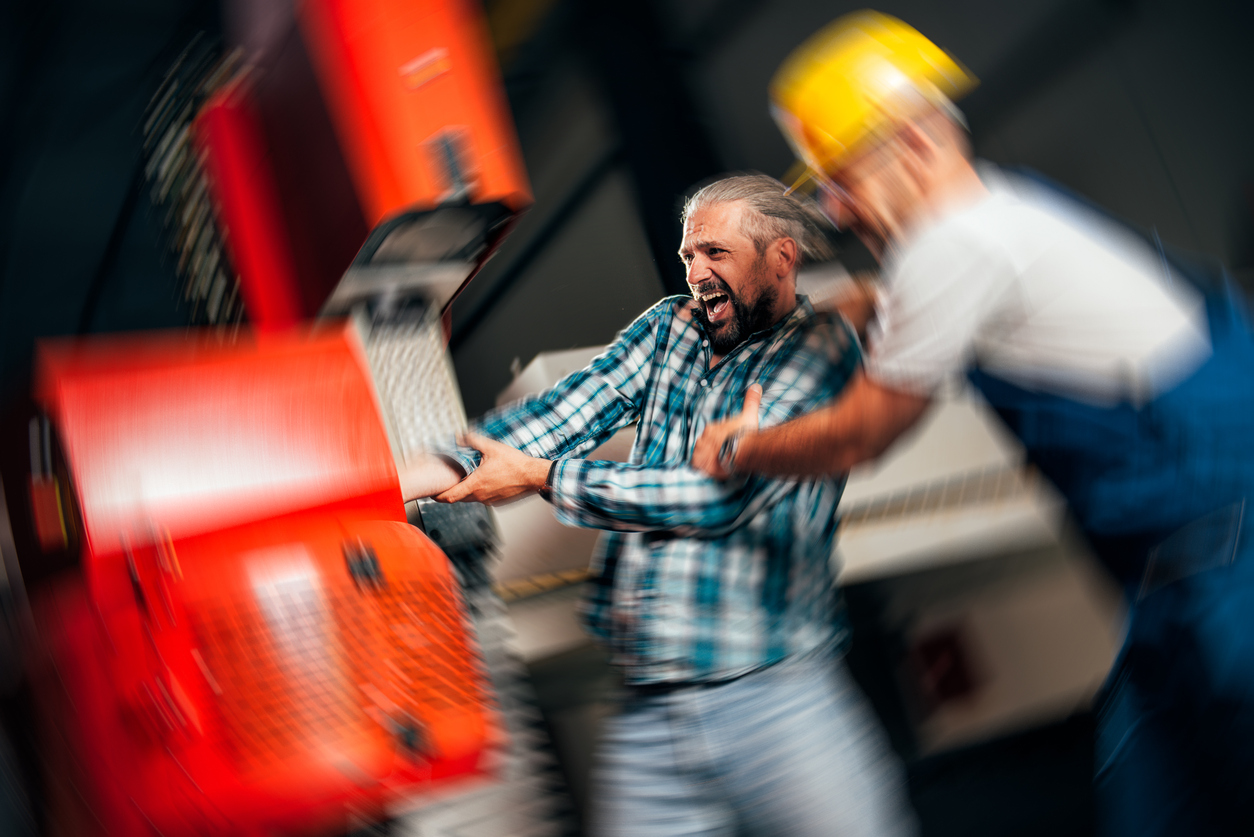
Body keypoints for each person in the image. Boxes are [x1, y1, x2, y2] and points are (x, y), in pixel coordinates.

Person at [692, 12, 1254, 836]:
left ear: (915, 142)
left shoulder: (950, 251)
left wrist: (739, 447)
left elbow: (862, 433)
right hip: (1178, 584)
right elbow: (887, 300)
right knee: (1152, 799)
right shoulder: (1000, 211)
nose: (838, 210)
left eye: (843, 180)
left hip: (1228, 572)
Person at [401, 174, 914, 836]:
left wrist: (543, 477)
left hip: (773, 698)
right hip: (651, 711)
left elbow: (715, 498)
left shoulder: (821, 352)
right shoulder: (671, 327)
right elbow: (564, 412)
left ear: (780, 258)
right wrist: (413, 475)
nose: (695, 273)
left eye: (715, 253)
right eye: (687, 255)